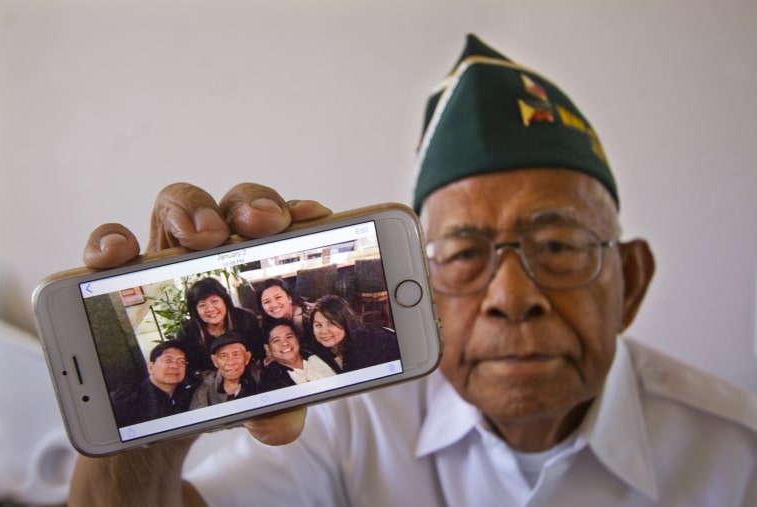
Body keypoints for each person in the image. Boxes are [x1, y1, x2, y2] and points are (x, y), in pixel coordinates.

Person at [71, 35, 757, 506]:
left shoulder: (736, 458)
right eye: (462, 255)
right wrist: (142, 440)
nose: (511, 298)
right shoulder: (347, 426)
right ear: (424, 289)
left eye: (559, 247)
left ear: (631, 281)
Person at [176, 277, 265, 382]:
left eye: (214, 301)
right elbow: (190, 368)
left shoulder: (246, 319)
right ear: (195, 311)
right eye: (202, 305)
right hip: (209, 382)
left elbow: (259, 352)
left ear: (225, 301)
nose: (210, 309)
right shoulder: (188, 333)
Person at [109, 341, 195, 427]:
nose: (175, 366)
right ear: (150, 367)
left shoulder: (189, 395)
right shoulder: (123, 402)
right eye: (168, 360)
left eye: (181, 361)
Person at [310, 294, 400, 372]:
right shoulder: (320, 352)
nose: (324, 331)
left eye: (331, 324)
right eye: (318, 325)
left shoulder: (365, 349)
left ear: (345, 322)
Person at [258, 319, 337, 391]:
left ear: (297, 339)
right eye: (276, 340)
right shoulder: (270, 383)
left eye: (289, 337)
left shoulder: (321, 355)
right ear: (268, 348)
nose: (285, 343)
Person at [189, 331, 257, 409]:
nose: (231, 362)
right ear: (215, 361)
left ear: (247, 357)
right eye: (223, 356)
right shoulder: (204, 391)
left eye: (236, 354)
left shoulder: (260, 380)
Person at [256, 277, 312, 341]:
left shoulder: (309, 317)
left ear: (289, 298)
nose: (274, 304)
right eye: (267, 302)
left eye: (278, 297)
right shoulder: (266, 325)